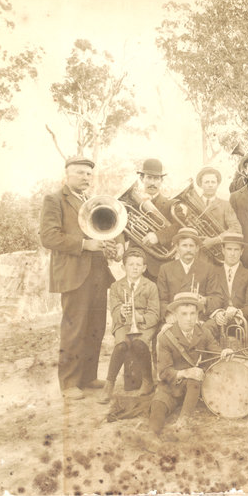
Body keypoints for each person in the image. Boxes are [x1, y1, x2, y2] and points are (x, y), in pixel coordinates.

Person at [39, 155, 116, 400]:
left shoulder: (92, 202)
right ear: (67, 175)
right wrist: (85, 245)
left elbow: (99, 234)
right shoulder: (54, 200)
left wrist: (107, 245)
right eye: (80, 173)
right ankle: (70, 383)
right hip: (73, 274)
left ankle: (88, 377)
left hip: (97, 273)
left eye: (89, 174)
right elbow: (49, 237)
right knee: (74, 329)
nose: (86, 178)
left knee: (96, 327)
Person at [142, 291, 235, 450]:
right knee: (159, 406)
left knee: (195, 378)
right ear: (175, 315)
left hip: (192, 387)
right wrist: (185, 372)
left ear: (197, 315)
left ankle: (182, 424)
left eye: (193, 313)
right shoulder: (165, 336)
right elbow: (163, 372)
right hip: (170, 385)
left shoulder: (203, 332)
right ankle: (151, 436)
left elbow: (215, 351)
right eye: (184, 314)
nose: (189, 318)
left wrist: (224, 353)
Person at [101, 247, 160, 404]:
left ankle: (148, 381)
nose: (134, 268)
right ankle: (109, 385)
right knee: (121, 346)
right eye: (131, 264)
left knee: (140, 344)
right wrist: (122, 312)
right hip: (123, 323)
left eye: (138, 265)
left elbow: (154, 315)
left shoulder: (151, 286)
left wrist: (139, 317)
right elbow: (114, 313)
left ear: (144, 268)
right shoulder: (115, 287)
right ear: (123, 267)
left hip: (144, 324)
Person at [204, 231, 248, 347]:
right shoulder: (213, 273)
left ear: (242, 252)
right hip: (219, 319)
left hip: (242, 320)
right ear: (223, 250)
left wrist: (238, 312)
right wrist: (216, 313)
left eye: (236, 250)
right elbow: (210, 298)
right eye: (229, 249)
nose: (232, 254)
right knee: (205, 330)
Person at [132, 157, 178, 282]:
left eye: (156, 178)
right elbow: (121, 228)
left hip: (160, 266)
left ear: (161, 181)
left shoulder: (171, 204)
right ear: (142, 179)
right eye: (149, 178)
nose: (152, 182)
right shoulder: (131, 203)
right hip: (135, 264)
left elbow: (180, 227)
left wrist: (158, 236)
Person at [156, 227, 217, 318]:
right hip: (174, 318)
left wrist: (205, 300)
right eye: (184, 245)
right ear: (177, 248)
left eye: (191, 246)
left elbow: (217, 298)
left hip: (199, 318)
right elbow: (161, 300)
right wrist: (168, 314)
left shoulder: (208, 268)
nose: (188, 249)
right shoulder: (165, 269)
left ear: (197, 248)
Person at [191, 166, 243, 237]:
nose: (210, 185)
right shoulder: (193, 204)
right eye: (207, 182)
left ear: (217, 184)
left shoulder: (226, 205)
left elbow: (236, 229)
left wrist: (214, 240)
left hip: (219, 245)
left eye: (213, 182)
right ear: (200, 184)